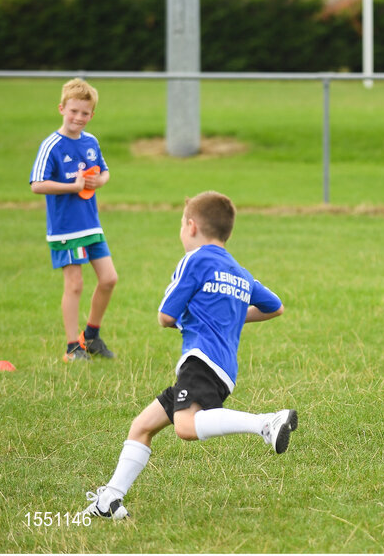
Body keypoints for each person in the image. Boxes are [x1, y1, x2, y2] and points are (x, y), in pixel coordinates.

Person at [81, 191, 295, 519]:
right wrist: (233, 316)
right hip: (221, 366)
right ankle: (110, 500)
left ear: (191, 226)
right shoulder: (239, 271)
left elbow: (166, 316)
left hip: (200, 360)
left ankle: (266, 422)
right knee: (142, 426)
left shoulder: (195, 260)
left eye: (181, 224)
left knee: (185, 426)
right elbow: (275, 307)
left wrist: (185, 318)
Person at [30, 78, 118, 362]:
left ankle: (91, 337)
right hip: (66, 229)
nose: (79, 118)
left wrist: (97, 181)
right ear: (61, 109)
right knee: (75, 284)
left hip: (91, 225)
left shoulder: (91, 141)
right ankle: (72, 347)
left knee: (109, 279)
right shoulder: (51, 145)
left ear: (92, 115)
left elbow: (104, 173)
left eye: (85, 113)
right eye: (74, 111)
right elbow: (37, 184)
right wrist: (73, 187)